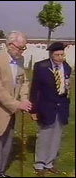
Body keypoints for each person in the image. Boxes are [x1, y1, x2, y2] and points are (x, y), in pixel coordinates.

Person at [0, 31, 32, 177]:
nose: (22, 51)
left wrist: (24, 98)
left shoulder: (20, 60)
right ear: (10, 45)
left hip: (11, 111)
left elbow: (24, 81)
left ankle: (1, 172)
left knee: (7, 144)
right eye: (20, 48)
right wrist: (17, 104)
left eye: (24, 48)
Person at [30, 42, 72, 177]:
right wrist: (34, 110)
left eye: (62, 54)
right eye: (57, 55)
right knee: (45, 135)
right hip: (46, 106)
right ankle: (40, 163)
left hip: (61, 107)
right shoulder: (41, 67)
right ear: (51, 55)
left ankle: (49, 162)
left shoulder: (66, 67)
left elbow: (66, 86)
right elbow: (35, 90)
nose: (60, 57)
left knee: (56, 136)